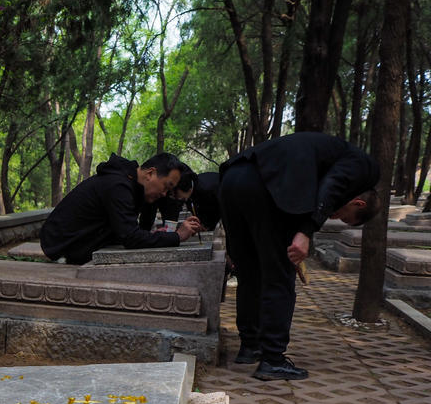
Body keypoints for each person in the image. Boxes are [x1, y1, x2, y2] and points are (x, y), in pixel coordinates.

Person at [218, 132, 380, 381]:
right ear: (358, 203)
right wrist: (306, 231)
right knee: (279, 278)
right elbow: (332, 185)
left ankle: (250, 346)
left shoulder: (332, 153)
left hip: (233, 179)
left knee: (250, 274)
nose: (335, 217)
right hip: (268, 187)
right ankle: (272, 359)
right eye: (342, 216)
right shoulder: (366, 168)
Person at [39, 153, 203, 264]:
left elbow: (138, 232)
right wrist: (177, 236)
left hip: (82, 246)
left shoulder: (134, 186)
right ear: (150, 174)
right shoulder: (119, 185)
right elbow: (131, 238)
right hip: (63, 248)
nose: (165, 194)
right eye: (167, 186)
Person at [139, 167, 222, 232]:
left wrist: (207, 225)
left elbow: (217, 210)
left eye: (176, 195)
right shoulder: (186, 191)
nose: (174, 197)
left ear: (188, 189)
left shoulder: (206, 189)